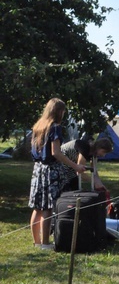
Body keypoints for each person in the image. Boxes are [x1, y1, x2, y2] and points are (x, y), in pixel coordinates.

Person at [28, 98, 86, 249]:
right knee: (47, 207)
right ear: (59, 111)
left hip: (38, 169)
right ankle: (45, 243)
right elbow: (56, 153)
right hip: (50, 170)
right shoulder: (54, 128)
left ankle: (36, 242)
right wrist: (75, 166)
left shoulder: (38, 127)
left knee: (37, 208)